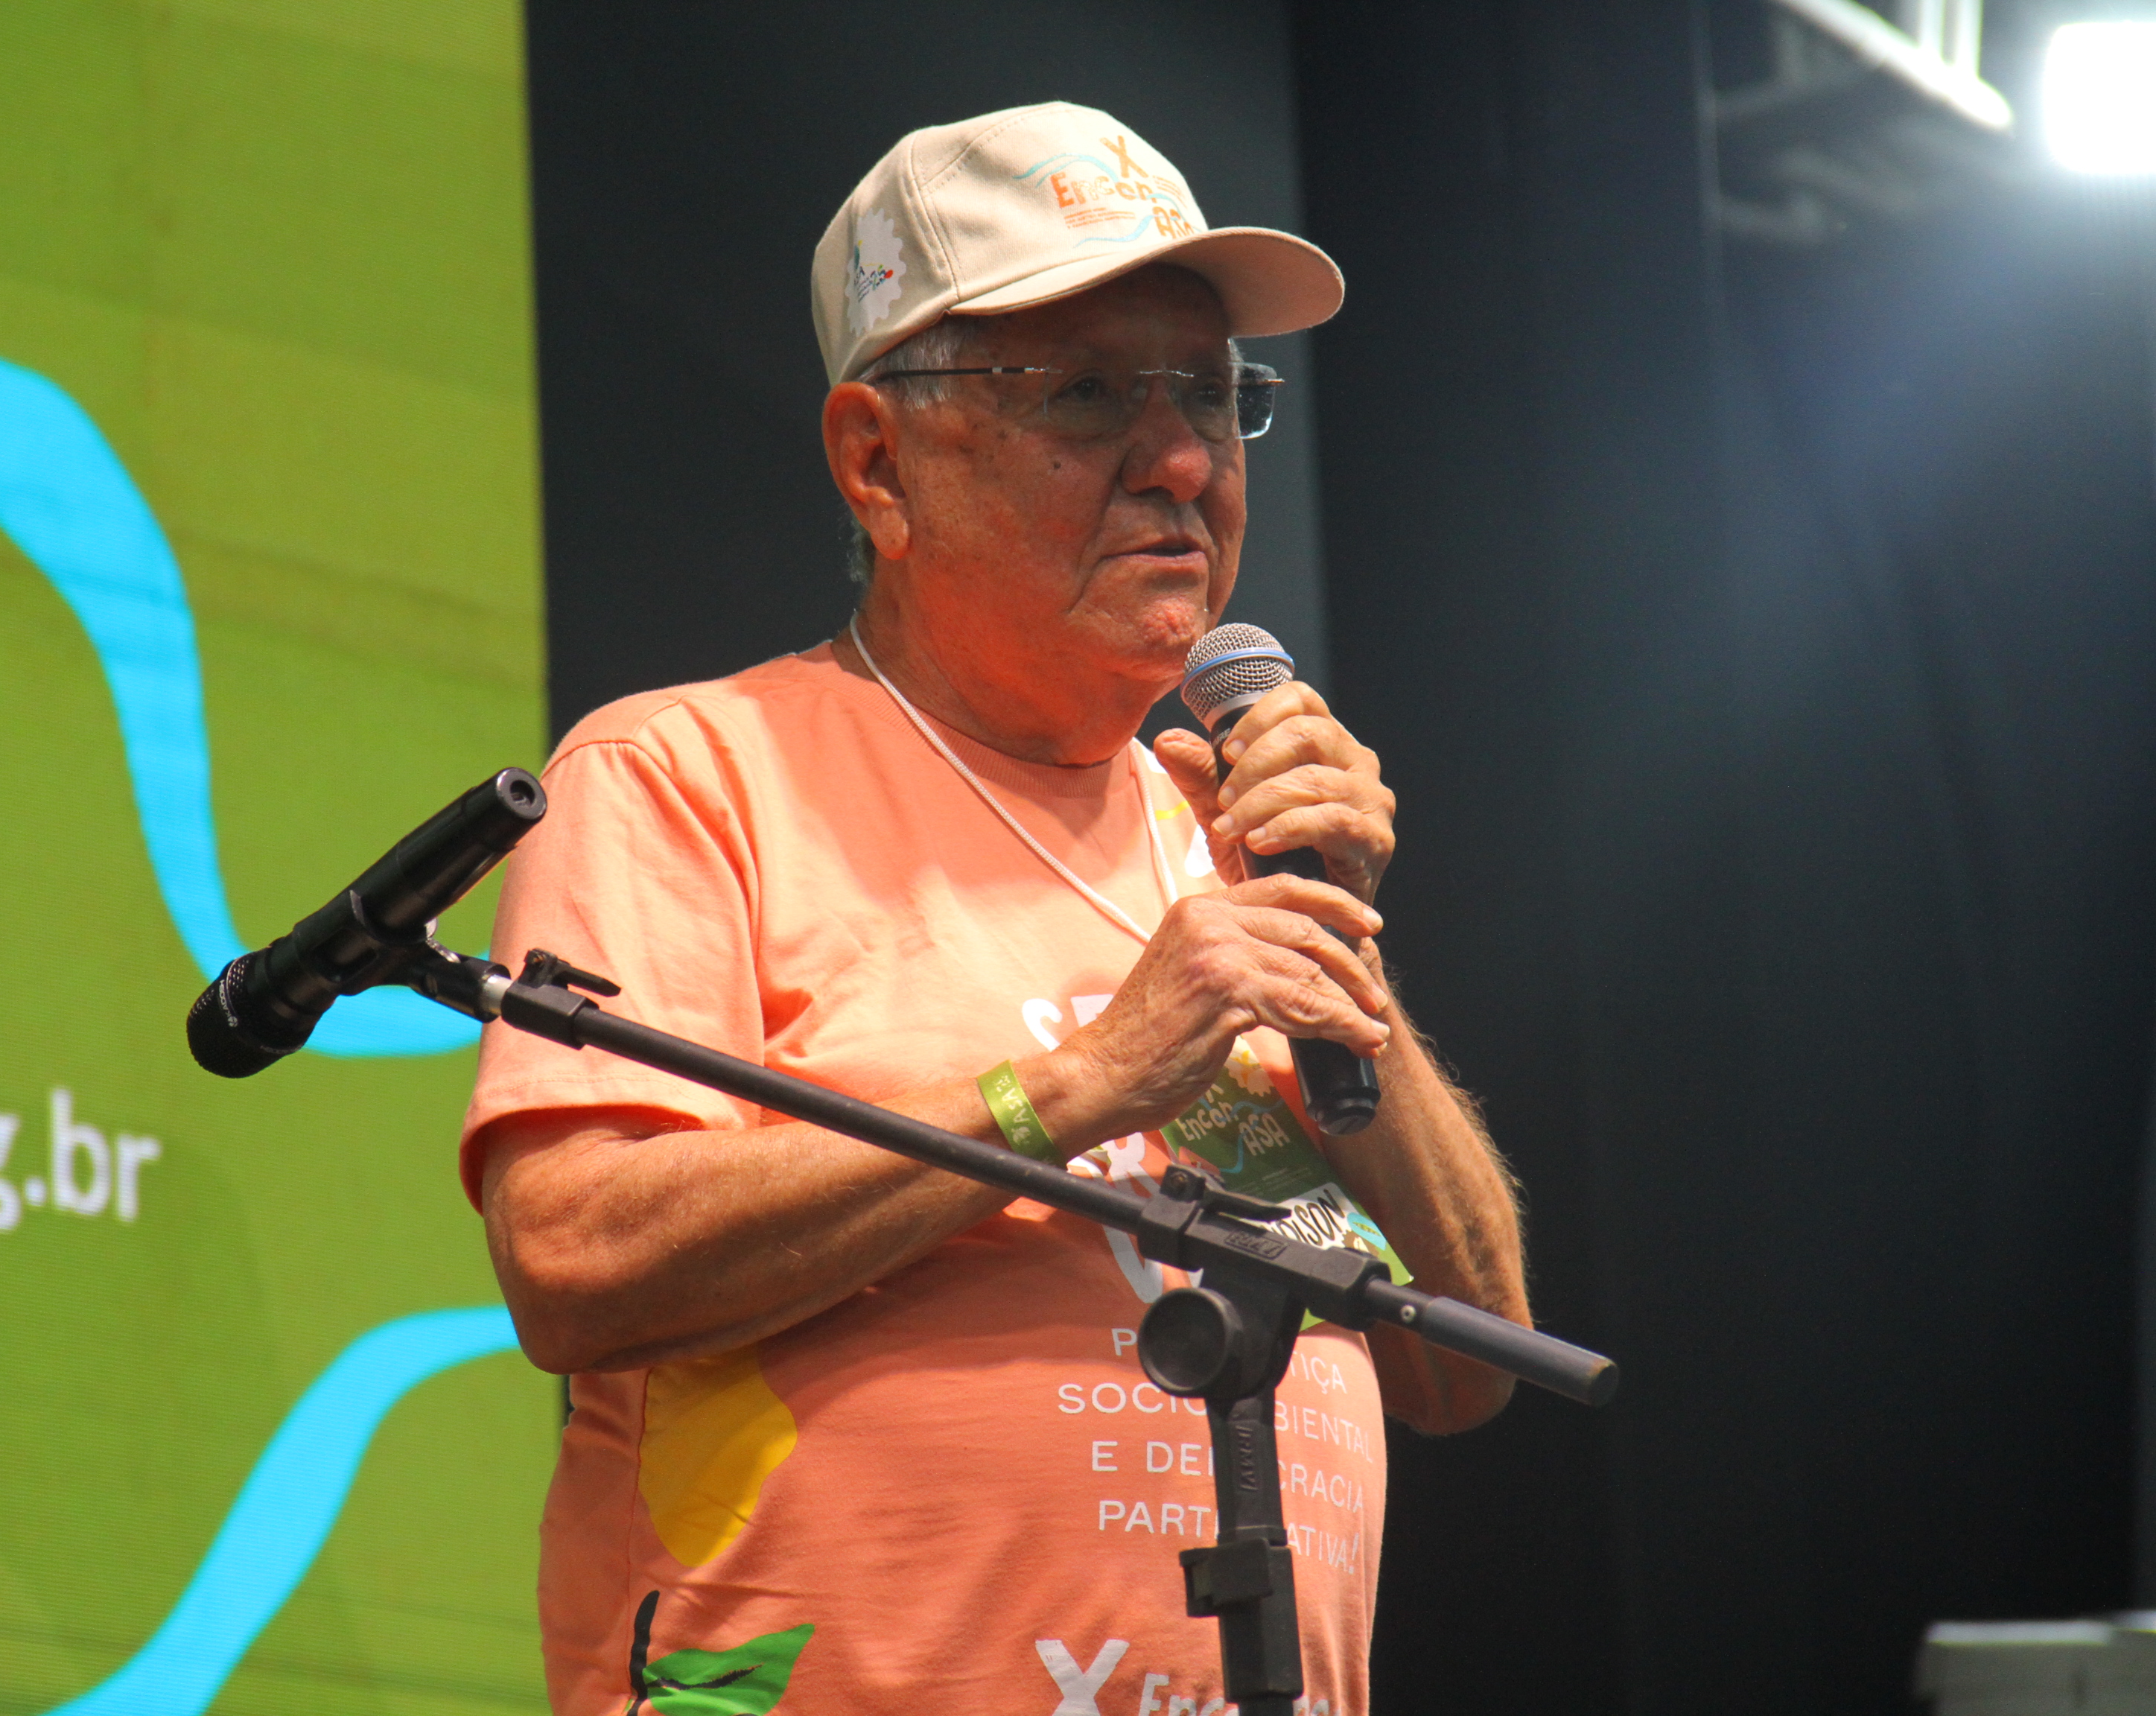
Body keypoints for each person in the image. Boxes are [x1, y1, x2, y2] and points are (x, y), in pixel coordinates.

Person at [460, 102, 1527, 1715]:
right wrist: (1088, 1083)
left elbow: (1467, 1359)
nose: (1180, 460)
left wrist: (1334, 958)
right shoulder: (689, 774)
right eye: (1088, 393)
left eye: (1209, 395)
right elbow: (578, 1258)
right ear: (878, 460)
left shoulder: (1220, 826)